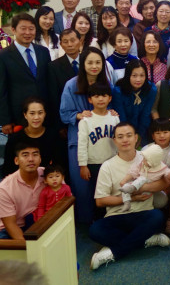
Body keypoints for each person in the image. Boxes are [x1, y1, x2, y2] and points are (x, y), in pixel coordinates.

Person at [89, 122, 170, 269]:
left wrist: (141, 188)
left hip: (143, 213)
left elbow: (164, 183)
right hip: (117, 215)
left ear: (136, 138)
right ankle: (146, 239)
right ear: (114, 140)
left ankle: (113, 253)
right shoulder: (107, 166)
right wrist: (131, 198)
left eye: (129, 135)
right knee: (95, 230)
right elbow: (100, 201)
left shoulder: (147, 157)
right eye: (120, 137)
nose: (125, 140)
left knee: (158, 217)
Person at [60, 47, 113, 223]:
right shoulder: (71, 85)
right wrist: (79, 115)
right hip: (79, 140)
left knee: (105, 182)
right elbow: (64, 113)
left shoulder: (106, 84)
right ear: (83, 64)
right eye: (90, 62)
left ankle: (107, 219)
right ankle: (85, 222)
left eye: (98, 62)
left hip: (103, 141)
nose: (94, 66)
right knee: (82, 184)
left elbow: (112, 107)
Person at [0, 13, 51, 135]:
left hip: (44, 114)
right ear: (13, 30)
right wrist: (5, 120)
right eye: (23, 29)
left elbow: (49, 82)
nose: (27, 33)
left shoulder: (44, 52)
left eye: (31, 29)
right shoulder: (1, 57)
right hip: (18, 116)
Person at [77, 82, 119, 220]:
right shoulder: (85, 120)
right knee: (98, 194)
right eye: (96, 96)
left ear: (110, 98)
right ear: (90, 99)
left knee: (114, 191)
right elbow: (82, 144)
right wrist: (83, 165)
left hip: (113, 162)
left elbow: (119, 140)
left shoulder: (114, 117)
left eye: (104, 95)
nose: (100, 99)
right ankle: (98, 222)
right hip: (94, 164)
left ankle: (114, 219)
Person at [0, 141, 45, 239]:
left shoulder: (51, 176)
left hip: (43, 223)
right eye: (25, 155)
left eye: (35, 154)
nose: (31, 159)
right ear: (16, 161)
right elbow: (10, 224)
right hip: (15, 228)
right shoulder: (4, 188)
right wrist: (27, 246)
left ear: (40, 159)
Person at [47, 28, 81, 168]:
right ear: (61, 44)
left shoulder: (90, 61)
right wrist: (60, 126)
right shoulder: (53, 67)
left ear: (80, 41)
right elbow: (53, 98)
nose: (70, 44)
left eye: (73, 40)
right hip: (67, 121)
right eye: (65, 42)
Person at [2, 97, 58, 177]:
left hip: (48, 179)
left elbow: (60, 165)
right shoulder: (15, 139)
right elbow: (8, 168)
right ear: (25, 115)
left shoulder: (54, 136)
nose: (36, 117)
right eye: (32, 113)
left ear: (45, 114)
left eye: (40, 113)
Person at [119, 144, 170, 212]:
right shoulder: (142, 164)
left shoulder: (161, 167)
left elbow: (169, 172)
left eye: (145, 159)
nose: (143, 160)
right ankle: (127, 203)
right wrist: (124, 180)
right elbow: (133, 172)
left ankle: (132, 189)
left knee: (143, 179)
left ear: (151, 161)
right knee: (125, 186)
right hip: (138, 184)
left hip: (151, 187)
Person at [112, 60, 157, 146]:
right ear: (128, 75)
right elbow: (122, 118)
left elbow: (145, 114)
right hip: (124, 130)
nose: (138, 79)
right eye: (134, 76)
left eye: (142, 75)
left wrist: (139, 136)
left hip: (143, 130)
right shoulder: (118, 91)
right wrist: (129, 136)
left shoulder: (151, 89)